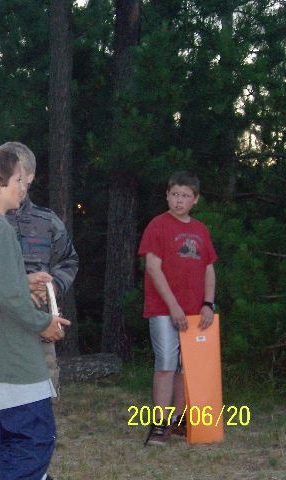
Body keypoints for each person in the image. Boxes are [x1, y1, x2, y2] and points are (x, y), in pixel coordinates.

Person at [0, 148, 70, 479]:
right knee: (34, 441)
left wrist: (22, 282)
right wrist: (44, 323)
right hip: (12, 366)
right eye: (18, 180)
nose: (23, 187)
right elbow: (4, 295)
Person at [0, 142, 78, 393]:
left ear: (29, 176)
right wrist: (19, 286)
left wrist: (53, 286)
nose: (18, 183)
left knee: (43, 389)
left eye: (20, 176)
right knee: (9, 395)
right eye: (13, 177)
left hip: (40, 321)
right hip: (0, 326)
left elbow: (69, 260)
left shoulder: (47, 220)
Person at [138, 171, 217, 446]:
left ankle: (179, 420)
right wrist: (173, 306)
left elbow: (209, 268)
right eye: (174, 194)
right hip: (164, 308)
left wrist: (208, 303)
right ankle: (159, 424)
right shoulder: (158, 225)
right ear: (167, 196)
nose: (179, 200)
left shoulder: (201, 230)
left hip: (195, 311)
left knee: (187, 368)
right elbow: (153, 268)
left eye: (185, 195)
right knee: (166, 364)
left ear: (195, 199)